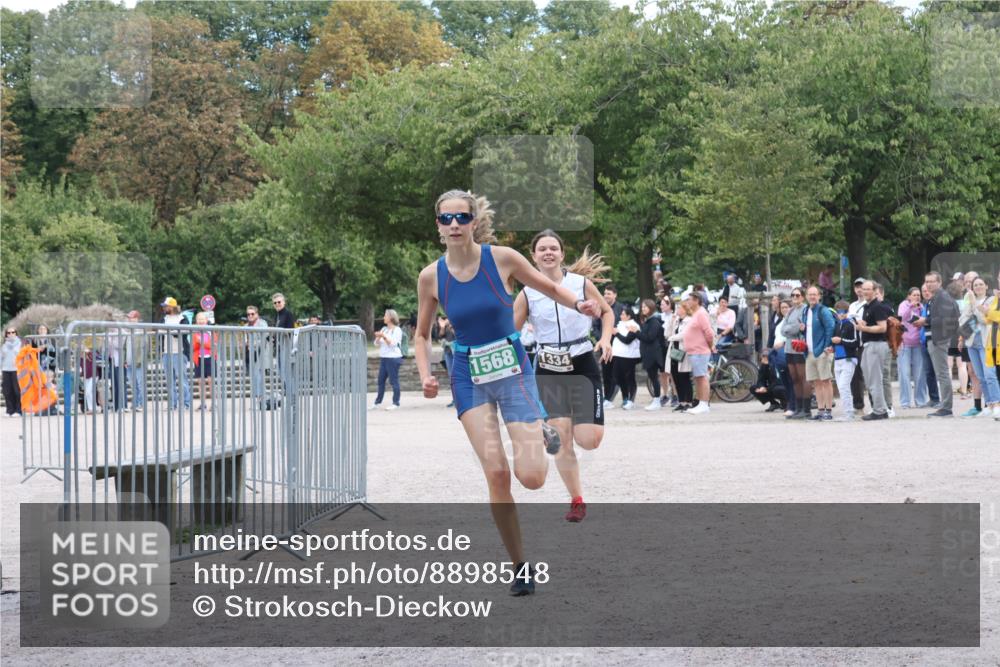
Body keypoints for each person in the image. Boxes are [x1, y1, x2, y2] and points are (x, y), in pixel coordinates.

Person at [413, 189, 601, 596]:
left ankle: (536, 431)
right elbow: (420, 334)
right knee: (497, 473)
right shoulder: (431, 276)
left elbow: (547, 289)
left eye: (462, 217)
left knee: (531, 478)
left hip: (511, 367)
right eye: (447, 219)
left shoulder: (502, 258)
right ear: (438, 226)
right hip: (467, 372)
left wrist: (579, 303)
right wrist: (427, 374)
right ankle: (519, 567)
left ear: (474, 221)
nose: (455, 225)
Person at [514, 229, 613, 522]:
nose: (548, 252)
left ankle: (542, 426)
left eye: (553, 248)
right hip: (548, 366)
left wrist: (605, 339)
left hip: (581, 361)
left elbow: (606, 312)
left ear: (561, 253)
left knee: (589, 439)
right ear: (533, 256)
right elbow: (511, 333)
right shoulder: (527, 293)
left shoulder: (581, 284)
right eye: (542, 248)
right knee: (563, 438)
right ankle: (577, 500)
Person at [962, 276, 1000, 418]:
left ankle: (997, 404)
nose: (978, 287)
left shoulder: (991, 300)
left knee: (990, 374)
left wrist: (975, 307)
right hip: (972, 343)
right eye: (975, 284)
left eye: (980, 284)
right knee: (980, 376)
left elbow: (984, 319)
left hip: (986, 342)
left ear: (986, 286)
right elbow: (963, 319)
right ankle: (989, 404)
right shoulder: (968, 301)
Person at [854, 281, 892, 420]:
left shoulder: (878, 307)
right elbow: (873, 324)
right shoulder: (867, 307)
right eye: (863, 289)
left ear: (875, 291)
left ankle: (880, 410)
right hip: (868, 345)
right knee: (869, 379)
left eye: (868, 289)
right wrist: (863, 324)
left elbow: (882, 327)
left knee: (875, 379)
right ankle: (880, 408)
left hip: (876, 345)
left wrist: (863, 328)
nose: (865, 292)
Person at [923, 271, 960, 417]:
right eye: (927, 282)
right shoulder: (936, 297)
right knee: (941, 373)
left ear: (939, 282)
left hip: (939, 339)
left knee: (942, 374)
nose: (929, 284)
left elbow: (944, 319)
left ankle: (946, 408)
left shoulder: (942, 297)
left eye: (932, 281)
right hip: (935, 338)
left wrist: (925, 321)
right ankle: (945, 406)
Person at [803, 286, 836, 420]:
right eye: (810, 294)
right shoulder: (806, 311)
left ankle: (828, 410)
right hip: (809, 352)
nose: (812, 297)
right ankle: (820, 410)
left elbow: (831, 327)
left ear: (819, 296)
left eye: (814, 294)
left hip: (822, 351)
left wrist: (827, 347)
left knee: (826, 381)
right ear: (806, 296)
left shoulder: (823, 310)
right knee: (816, 382)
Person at [682, 292, 716, 415]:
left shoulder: (701, 313)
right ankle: (700, 402)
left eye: (690, 300)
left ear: (697, 301)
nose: (688, 302)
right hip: (694, 351)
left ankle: (704, 403)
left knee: (702, 377)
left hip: (700, 351)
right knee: (698, 377)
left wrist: (709, 345)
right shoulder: (696, 314)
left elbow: (709, 333)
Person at [593, 284, 625, 408]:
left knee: (617, 372)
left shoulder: (621, 308)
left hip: (618, 346)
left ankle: (625, 398)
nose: (606, 296)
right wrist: (601, 338)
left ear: (615, 295)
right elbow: (595, 326)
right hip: (603, 345)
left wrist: (616, 337)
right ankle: (607, 397)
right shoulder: (599, 308)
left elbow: (624, 327)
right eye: (605, 293)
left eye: (609, 293)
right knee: (606, 372)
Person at [897, 287, 928, 409]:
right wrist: (911, 306)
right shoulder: (903, 305)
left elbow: (924, 322)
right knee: (904, 373)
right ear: (909, 296)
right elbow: (901, 318)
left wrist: (921, 311)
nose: (917, 297)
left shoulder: (922, 307)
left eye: (918, 295)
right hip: (904, 344)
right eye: (914, 295)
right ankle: (905, 402)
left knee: (919, 374)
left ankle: (920, 401)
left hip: (918, 344)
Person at [782, 288, 811, 419]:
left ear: (803, 297)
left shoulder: (805, 309)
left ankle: (806, 408)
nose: (794, 297)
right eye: (792, 295)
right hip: (788, 347)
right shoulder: (791, 310)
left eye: (797, 295)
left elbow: (799, 327)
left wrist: (791, 328)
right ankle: (798, 407)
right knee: (794, 378)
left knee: (803, 377)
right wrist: (792, 328)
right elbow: (783, 330)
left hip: (799, 347)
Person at [160, 297, 192, 410]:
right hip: (166, 352)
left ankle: (186, 404)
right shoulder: (164, 319)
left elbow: (183, 333)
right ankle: (172, 404)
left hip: (179, 352)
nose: (164, 308)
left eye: (165, 306)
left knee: (182, 380)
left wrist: (171, 331)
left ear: (172, 307)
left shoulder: (182, 318)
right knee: (169, 381)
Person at [831, 300, 860, 421]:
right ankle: (847, 412)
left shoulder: (850, 324)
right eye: (838, 312)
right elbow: (836, 343)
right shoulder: (837, 325)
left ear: (847, 312)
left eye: (843, 312)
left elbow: (855, 342)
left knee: (844, 386)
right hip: (838, 359)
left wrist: (841, 340)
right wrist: (831, 348)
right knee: (841, 386)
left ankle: (849, 414)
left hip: (848, 359)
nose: (841, 314)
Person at [371, 309, 404, 411]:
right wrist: (378, 337)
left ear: (391, 317)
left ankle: (396, 402)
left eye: (385, 315)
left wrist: (383, 336)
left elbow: (393, 344)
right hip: (384, 358)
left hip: (393, 358)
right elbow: (376, 344)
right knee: (381, 380)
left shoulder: (397, 330)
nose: (383, 317)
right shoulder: (384, 329)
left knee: (393, 381)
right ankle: (377, 402)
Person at [637, 299, 665, 411]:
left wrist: (636, 332)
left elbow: (649, 338)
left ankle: (657, 400)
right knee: (652, 377)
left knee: (654, 377)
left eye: (645, 307)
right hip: (648, 353)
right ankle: (656, 399)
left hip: (653, 354)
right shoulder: (648, 321)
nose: (643, 309)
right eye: (642, 307)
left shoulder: (654, 322)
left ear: (651, 308)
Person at [611, 306, 641, 409]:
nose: (621, 316)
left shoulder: (633, 325)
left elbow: (627, 340)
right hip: (618, 355)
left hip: (628, 356)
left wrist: (617, 333)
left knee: (629, 378)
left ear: (629, 316)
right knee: (618, 377)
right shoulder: (620, 324)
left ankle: (631, 400)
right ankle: (625, 397)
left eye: (623, 314)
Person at [667, 302, 694, 411]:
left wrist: (672, 338)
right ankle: (681, 401)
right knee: (676, 377)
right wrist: (671, 321)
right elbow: (667, 334)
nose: (677, 309)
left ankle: (688, 401)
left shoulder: (689, 321)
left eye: (679, 307)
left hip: (684, 351)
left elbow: (684, 335)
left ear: (685, 309)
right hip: (674, 351)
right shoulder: (677, 320)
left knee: (684, 378)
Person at [771, 300, 796, 417]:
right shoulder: (780, 322)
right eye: (782, 308)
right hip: (777, 353)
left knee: (791, 380)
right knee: (784, 380)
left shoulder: (793, 320)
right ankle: (789, 404)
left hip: (788, 351)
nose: (784, 309)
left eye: (786, 307)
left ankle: (793, 405)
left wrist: (784, 343)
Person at [847, 277, 868, 413]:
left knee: (868, 374)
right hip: (854, 343)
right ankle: (858, 405)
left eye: (861, 287)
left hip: (866, 342)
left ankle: (879, 404)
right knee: (855, 375)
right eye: (857, 287)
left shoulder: (869, 304)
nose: (859, 289)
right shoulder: (852, 305)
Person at [191, 311, 216, 411]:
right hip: (199, 358)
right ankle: (203, 404)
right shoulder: (194, 332)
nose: (201, 321)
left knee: (211, 381)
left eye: (203, 319)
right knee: (200, 382)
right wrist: (202, 343)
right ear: (196, 321)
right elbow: (193, 346)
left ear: (206, 320)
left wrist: (201, 342)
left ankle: (213, 404)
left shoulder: (211, 331)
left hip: (210, 358)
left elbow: (212, 345)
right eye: (199, 319)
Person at [123, 310, 146, 411]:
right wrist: (124, 360)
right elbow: (124, 347)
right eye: (129, 318)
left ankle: (141, 404)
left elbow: (144, 347)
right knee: (133, 385)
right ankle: (135, 403)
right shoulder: (128, 331)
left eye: (131, 318)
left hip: (138, 362)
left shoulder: (141, 331)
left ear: (137, 319)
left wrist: (140, 361)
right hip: (129, 362)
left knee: (140, 384)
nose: (129, 320)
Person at [434, 314, 457, 408]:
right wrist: (442, 327)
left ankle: (462, 399)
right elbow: (439, 337)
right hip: (448, 351)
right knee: (451, 375)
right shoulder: (442, 321)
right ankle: (455, 399)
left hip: (458, 351)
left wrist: (452, 324)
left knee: (459, 375)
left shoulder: (456, 317)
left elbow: (460, 335)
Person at [658, 296, 676, 406]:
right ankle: (664, 394)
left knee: (672, 372)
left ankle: (675, 394)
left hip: (671, 344)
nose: (661, 306)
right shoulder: (659, 316)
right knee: (663, 372)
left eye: (663, 304)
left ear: (669, 305)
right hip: (661, 345)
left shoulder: (675, 316)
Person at [1, 326, 22, 417]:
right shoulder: (4, 345)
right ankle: (9, 410)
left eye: (13, 332)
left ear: (16, 333)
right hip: (6, 369)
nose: (11, 334)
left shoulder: (21, 344)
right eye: (8, 333)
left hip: (17, 370)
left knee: (17, 390)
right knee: (7, 391)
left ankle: (18, 410)